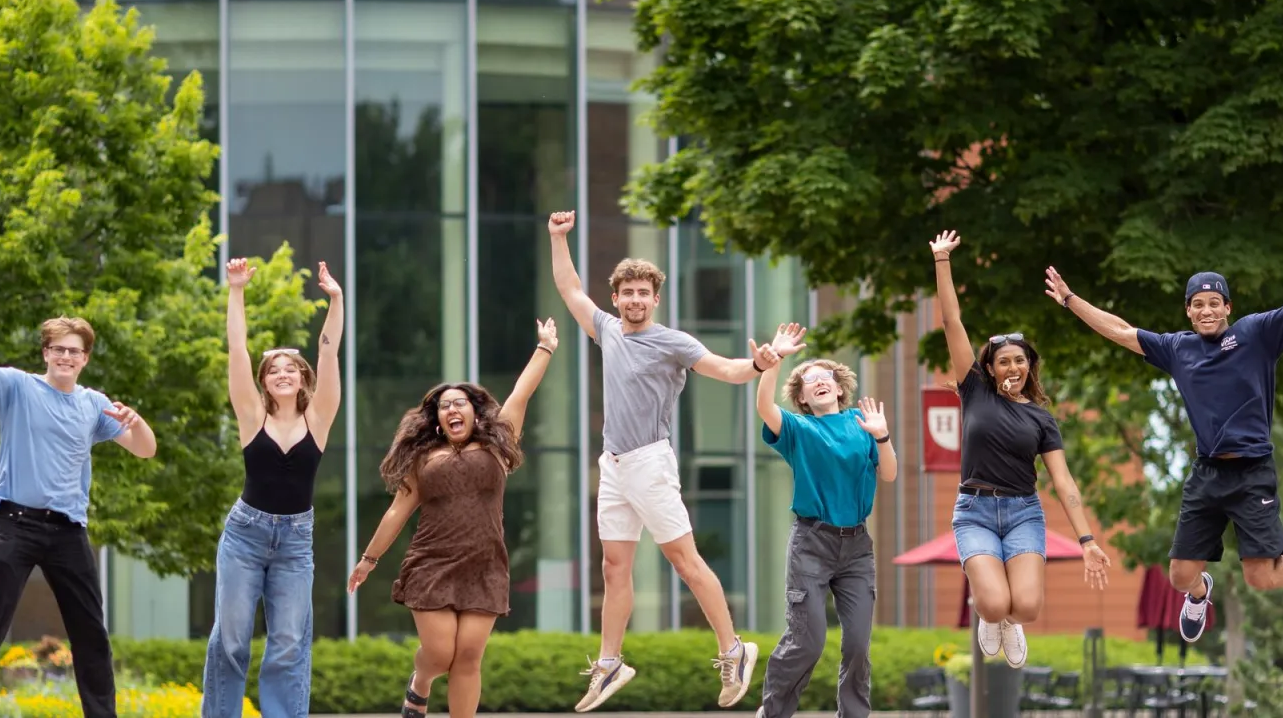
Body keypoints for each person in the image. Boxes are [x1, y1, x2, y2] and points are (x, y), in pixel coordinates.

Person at [1043, 221, 1283, 642]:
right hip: (1207, 473)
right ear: (1188, 312)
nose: (1207, 310)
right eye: (1198, 304)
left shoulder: (1257, 333)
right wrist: (1069, 299)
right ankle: (1200, 593)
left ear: (1228, 307)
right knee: (1179, 576)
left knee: (1260, 577)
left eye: (1215, 302)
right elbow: (1119, 330)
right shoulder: (1178, 349)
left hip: (1251, 473)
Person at [547, 211, 769, 711]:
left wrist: (759, 363)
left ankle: (734, 650)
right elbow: (569, 288)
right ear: (617, 298)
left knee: (684, 562)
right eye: (627, 292)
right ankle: (609, 665)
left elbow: (729, 370)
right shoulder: (606, 330)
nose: (635, 299)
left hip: (650, 461)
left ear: (655, 298)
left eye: (643, 292)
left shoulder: (673, 342)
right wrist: (558, 238)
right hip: (614, 465)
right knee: (613, 566)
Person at [0, 278, 158, 718]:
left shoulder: (94, 405)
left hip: (68, 533)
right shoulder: (18, 387)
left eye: (74, 351)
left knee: (91, 633)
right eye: (59, 348)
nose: (66, 356)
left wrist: (138, 421)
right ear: (46, 353)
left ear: (85, 359)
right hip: (15, 525)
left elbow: (145, 449)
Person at [347, 318, 561, 718]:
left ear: (475, 412)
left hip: (485, 565)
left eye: (459, 402)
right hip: (432, 563)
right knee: (441, 654)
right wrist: (368, 560)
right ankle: (421, 682)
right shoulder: (424, 459)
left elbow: (521, 392)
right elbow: (398, 510)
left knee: (468, 659)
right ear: (437, 420)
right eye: (444, 406)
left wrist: (545, 347)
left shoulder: (499, 444)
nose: (451, 409)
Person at [930, 231, 1110, 669]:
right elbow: (953, 322)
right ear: (988, 369)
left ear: (1029, 366)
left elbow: (1063, 481)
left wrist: (1087, 539)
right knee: (992, 603)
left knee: (1025, 607)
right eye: (1003, 361)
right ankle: (993, 619)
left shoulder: (1042, 419)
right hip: (974, 509)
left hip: (1023, 512)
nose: (1013, 366)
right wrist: (941, 261)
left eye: (1020, 360)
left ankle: (1012, 623)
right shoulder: (974, 391)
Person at [200, 258, 345, 718]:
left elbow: (328, 353)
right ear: (264, 382)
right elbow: (237, 349)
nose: (282, 374)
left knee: (287, 641)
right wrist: (237, 290)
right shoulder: (251, 416)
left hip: (295, 542)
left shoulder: (318, 418)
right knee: (232, 637)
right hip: (245, 534)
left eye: (290, 369)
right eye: (274, 370)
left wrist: (336, 301)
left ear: (303, 378)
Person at [748, 324, 896, 718]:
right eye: (809, 381)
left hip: (857, 548)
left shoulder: (861, 424)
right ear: (802, 398)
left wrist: (882, 438)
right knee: (808, 641)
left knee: (858, 644)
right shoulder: (799, 429)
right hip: (812, 543)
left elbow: (891, 474)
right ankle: (774, 711)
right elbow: (764, 407)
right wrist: (776, 359)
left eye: (825, 377)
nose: (819, 382)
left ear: (839, 387)